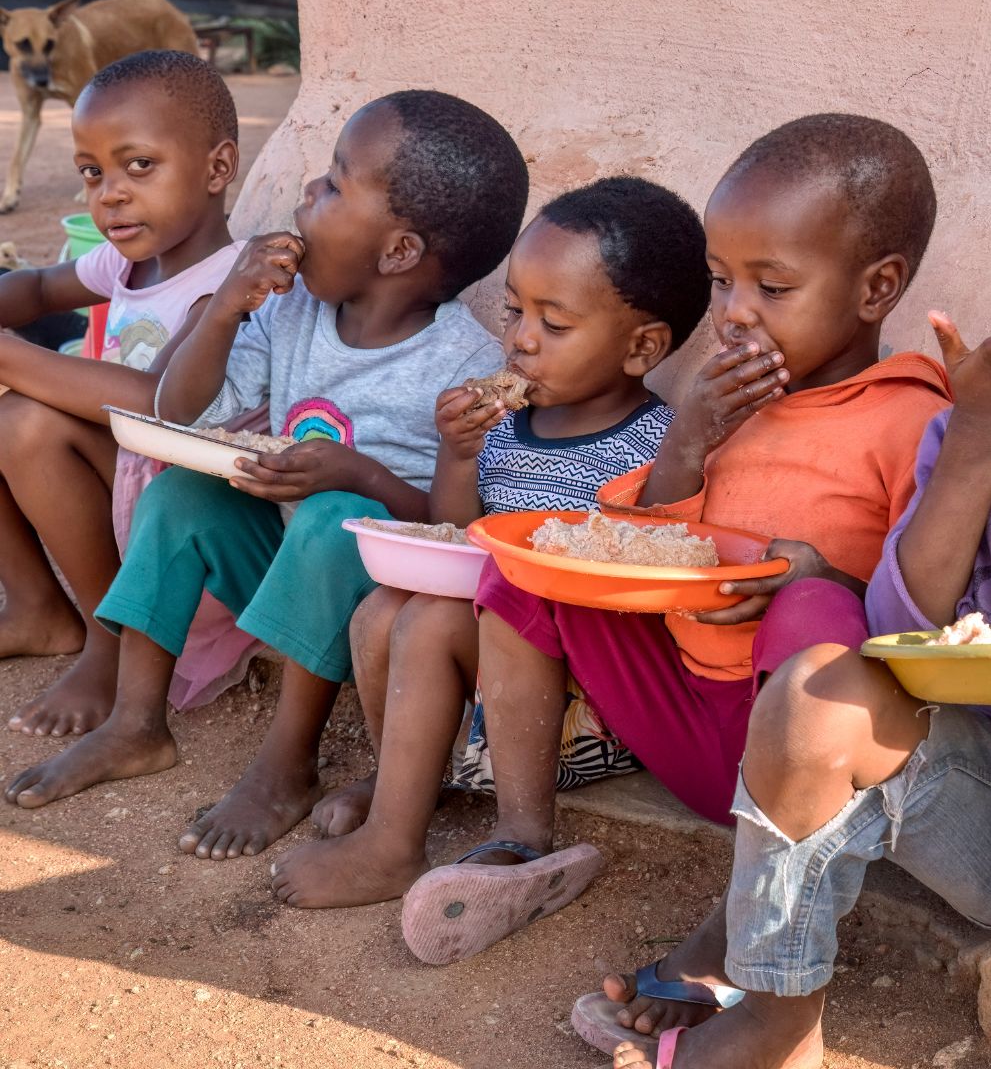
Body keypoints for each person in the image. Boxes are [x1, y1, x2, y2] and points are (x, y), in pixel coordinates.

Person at [604, 50, 991, 1069]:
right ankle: (778, 1019)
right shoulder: (970, 419)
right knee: (815, 692)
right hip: (983, 813)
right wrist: (977, 441)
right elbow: (898, 624)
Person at [398, 114, 954, 969]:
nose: (734, 315)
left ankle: (749, 919)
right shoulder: (719, 402)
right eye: (722, 281)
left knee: (808, 599)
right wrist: (689, 438)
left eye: (772, 287)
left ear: (876, 289)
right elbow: (630, 547)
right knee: (539, 567)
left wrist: (831, 578)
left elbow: (933, 610)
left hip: (807, 755)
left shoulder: (912, 417)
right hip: (690, 732)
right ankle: (523, 841)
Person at [2, 90, 530, 873]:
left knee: (331, 517)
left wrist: (356, 473)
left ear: (397, 251)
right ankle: (138, 720)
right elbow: (182, 409)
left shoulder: (464, 364)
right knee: (181, 489)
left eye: (334, 185)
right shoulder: (290, 314)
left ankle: (288, 760)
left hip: (363, 612)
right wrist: (225, 311)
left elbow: (451, 532)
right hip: (269, 568)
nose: (305, 196)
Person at [268, 175, 712, 908]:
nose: (521, 339)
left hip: (576, 714)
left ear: (641, 348)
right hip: (480, 685)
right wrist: (459, 456)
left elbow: (643, 574)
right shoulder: (501, 426)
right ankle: (407, 781)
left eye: (555, 324)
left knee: (435, 618)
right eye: (513, 311)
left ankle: (396, 844)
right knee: (382, 610)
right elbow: (454, 536)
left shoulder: (652, 448)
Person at [0, 51, 244, 739]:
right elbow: (42, 288)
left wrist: (9, 355)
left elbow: (153, 397)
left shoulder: (231, 283)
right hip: (120, 486)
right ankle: (36, 608)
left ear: (216, 168)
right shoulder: (131, 260)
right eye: (92, 172)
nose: (110, 193)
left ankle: (111, 643)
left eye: (139, 166)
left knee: (21, 423)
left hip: (183, 525)